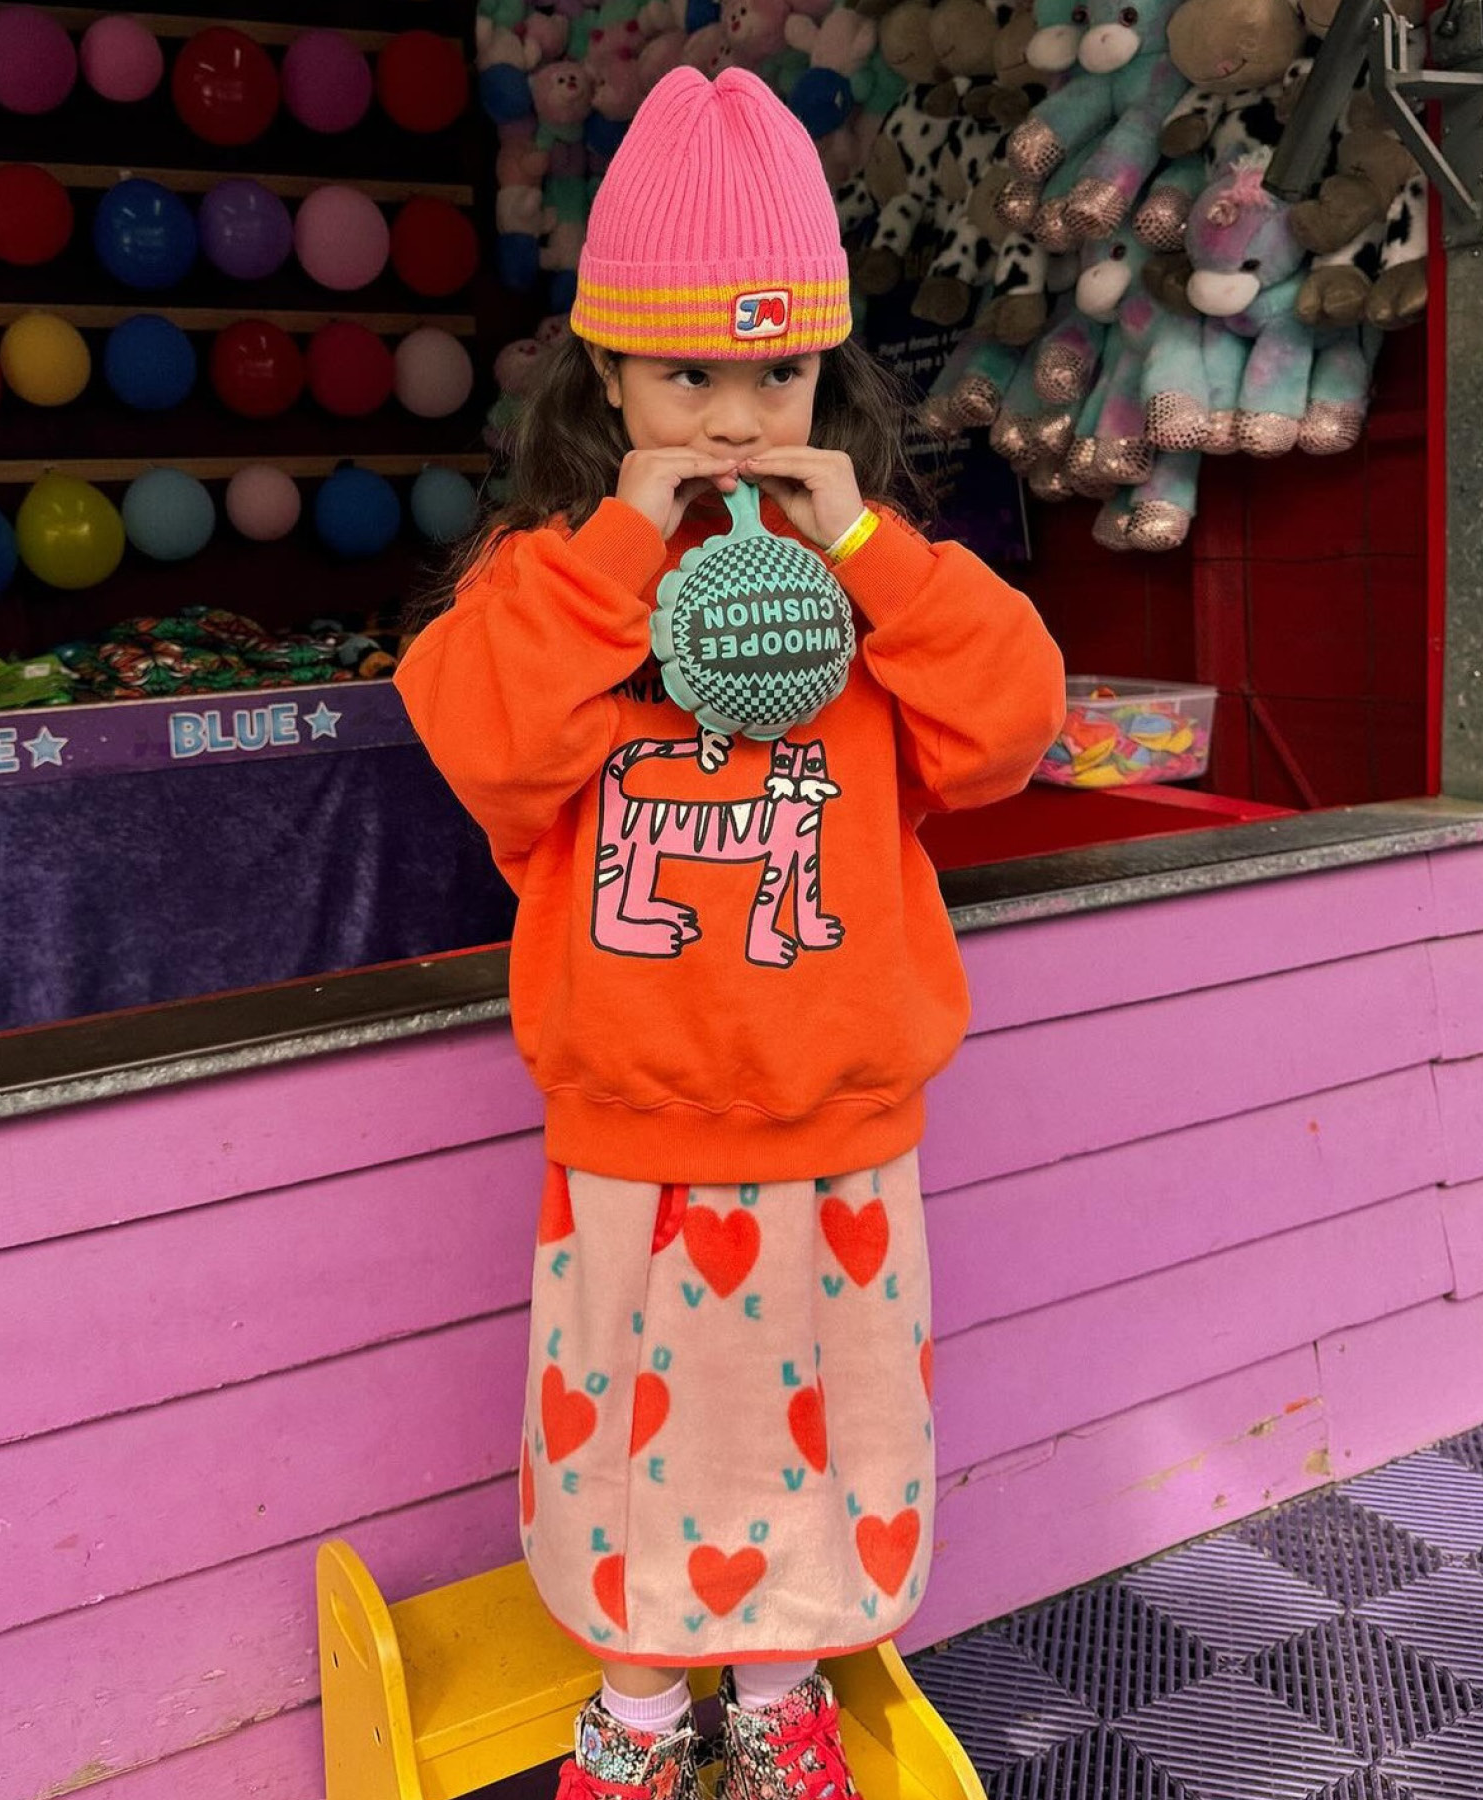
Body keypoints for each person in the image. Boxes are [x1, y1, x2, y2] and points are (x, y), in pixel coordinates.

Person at [395, 64, 1067, 1800]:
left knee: (826, 1437)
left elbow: (1007, 730)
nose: (730, 414)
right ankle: (628, 1712)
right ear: (605, 375)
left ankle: (778, 1703)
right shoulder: (557, 584)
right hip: (631, 1142)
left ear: (823, 376)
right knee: (628, 1441)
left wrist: (866, 543)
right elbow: (474, 737)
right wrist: (622, 539)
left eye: (773, 370)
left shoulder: (870, 585)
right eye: (685, 370)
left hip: (845, 1137)